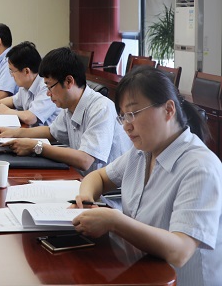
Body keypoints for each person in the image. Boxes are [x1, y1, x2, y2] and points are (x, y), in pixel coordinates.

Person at [72, 67, 222, 286]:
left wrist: (114, 221)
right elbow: (99, 178)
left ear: (168, 110)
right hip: (140, 269)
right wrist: (86, 199)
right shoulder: (142, 152)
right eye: (123, 116)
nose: (126, 126)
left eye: (133, 113)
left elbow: (180, 251)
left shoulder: (200, 167)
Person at [0, 47, 130, 175]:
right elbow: (51, 132)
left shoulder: (101, 108)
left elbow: (85, 160)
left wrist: (37, 146)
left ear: (69, 81)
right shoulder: (69, 106)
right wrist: (15, 133)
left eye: (50, 86)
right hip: (81, 178)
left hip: (105, 189)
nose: (48, 93)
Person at [0, 41, 60, 126]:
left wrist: (6, 111)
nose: (11, 75)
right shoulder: (26, 85)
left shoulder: (46, 87)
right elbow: (13, 101)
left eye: (12, 71)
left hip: (44, 134)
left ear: (26, 71)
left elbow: (30, 117)